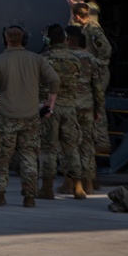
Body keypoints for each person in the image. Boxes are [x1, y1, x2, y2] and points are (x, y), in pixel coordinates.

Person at [0, 26, 60, 207]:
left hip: (7, 116)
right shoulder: (36, 59)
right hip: (30, 117)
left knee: (1, 157)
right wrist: (50, 103)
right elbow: (54, 79)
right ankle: (29, 196)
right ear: (24, 40)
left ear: (5, 40)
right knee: (29, 156)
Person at [37, 24, 85, 200]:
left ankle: (47, 188)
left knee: (48, 148)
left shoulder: (44, 60)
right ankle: (78, 187)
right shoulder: (74, 60)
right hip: (70, 108)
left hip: (49, 108)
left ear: (48, 39)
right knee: (71, 148)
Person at [65, 24, 105, 193]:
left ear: (69, 40)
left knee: (68, 145)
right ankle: (89, 181)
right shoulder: (90, 59)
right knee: (87, 145)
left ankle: (70, 182)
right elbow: (98, 87)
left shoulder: (64, 58)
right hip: (87, 107)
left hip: (69, 107)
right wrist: (98, 109)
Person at [72, 2, 112, 154]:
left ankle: (102, 142)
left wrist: (99, 63)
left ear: (76, 15)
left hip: (99, 73)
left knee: (97, 106)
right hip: (93, 71)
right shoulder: (85, 28)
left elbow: (106, 49)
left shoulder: (93, 28)